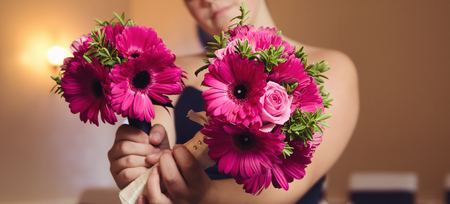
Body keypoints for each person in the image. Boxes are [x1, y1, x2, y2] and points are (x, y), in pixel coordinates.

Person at [107, 0, 359, 203]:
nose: (208, 0)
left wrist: (204, 195)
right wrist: (146, 166)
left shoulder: (332, 67)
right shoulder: (172, 70)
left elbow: (291, 186)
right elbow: (156, 149)